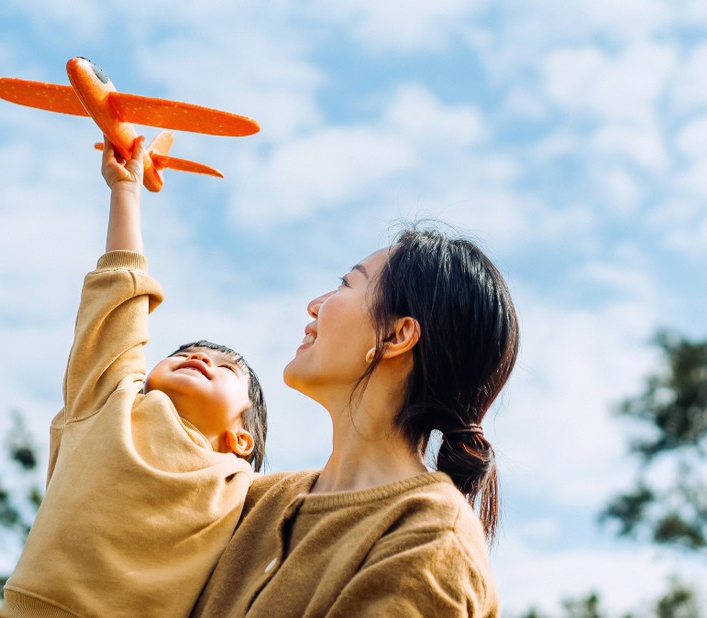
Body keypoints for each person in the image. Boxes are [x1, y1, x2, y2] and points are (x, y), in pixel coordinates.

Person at [0, 137, 268, 618]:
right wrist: (126, 191)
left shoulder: (240, 487)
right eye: (185, 353)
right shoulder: (109, 402)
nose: (201, 359)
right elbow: (119, 299)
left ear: (241, 439)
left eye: (225, 369)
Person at [193, 225, 518, 617]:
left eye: (345, 285)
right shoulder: (255, 498)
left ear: (395, 335)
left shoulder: (429, 537)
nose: (315, 304)